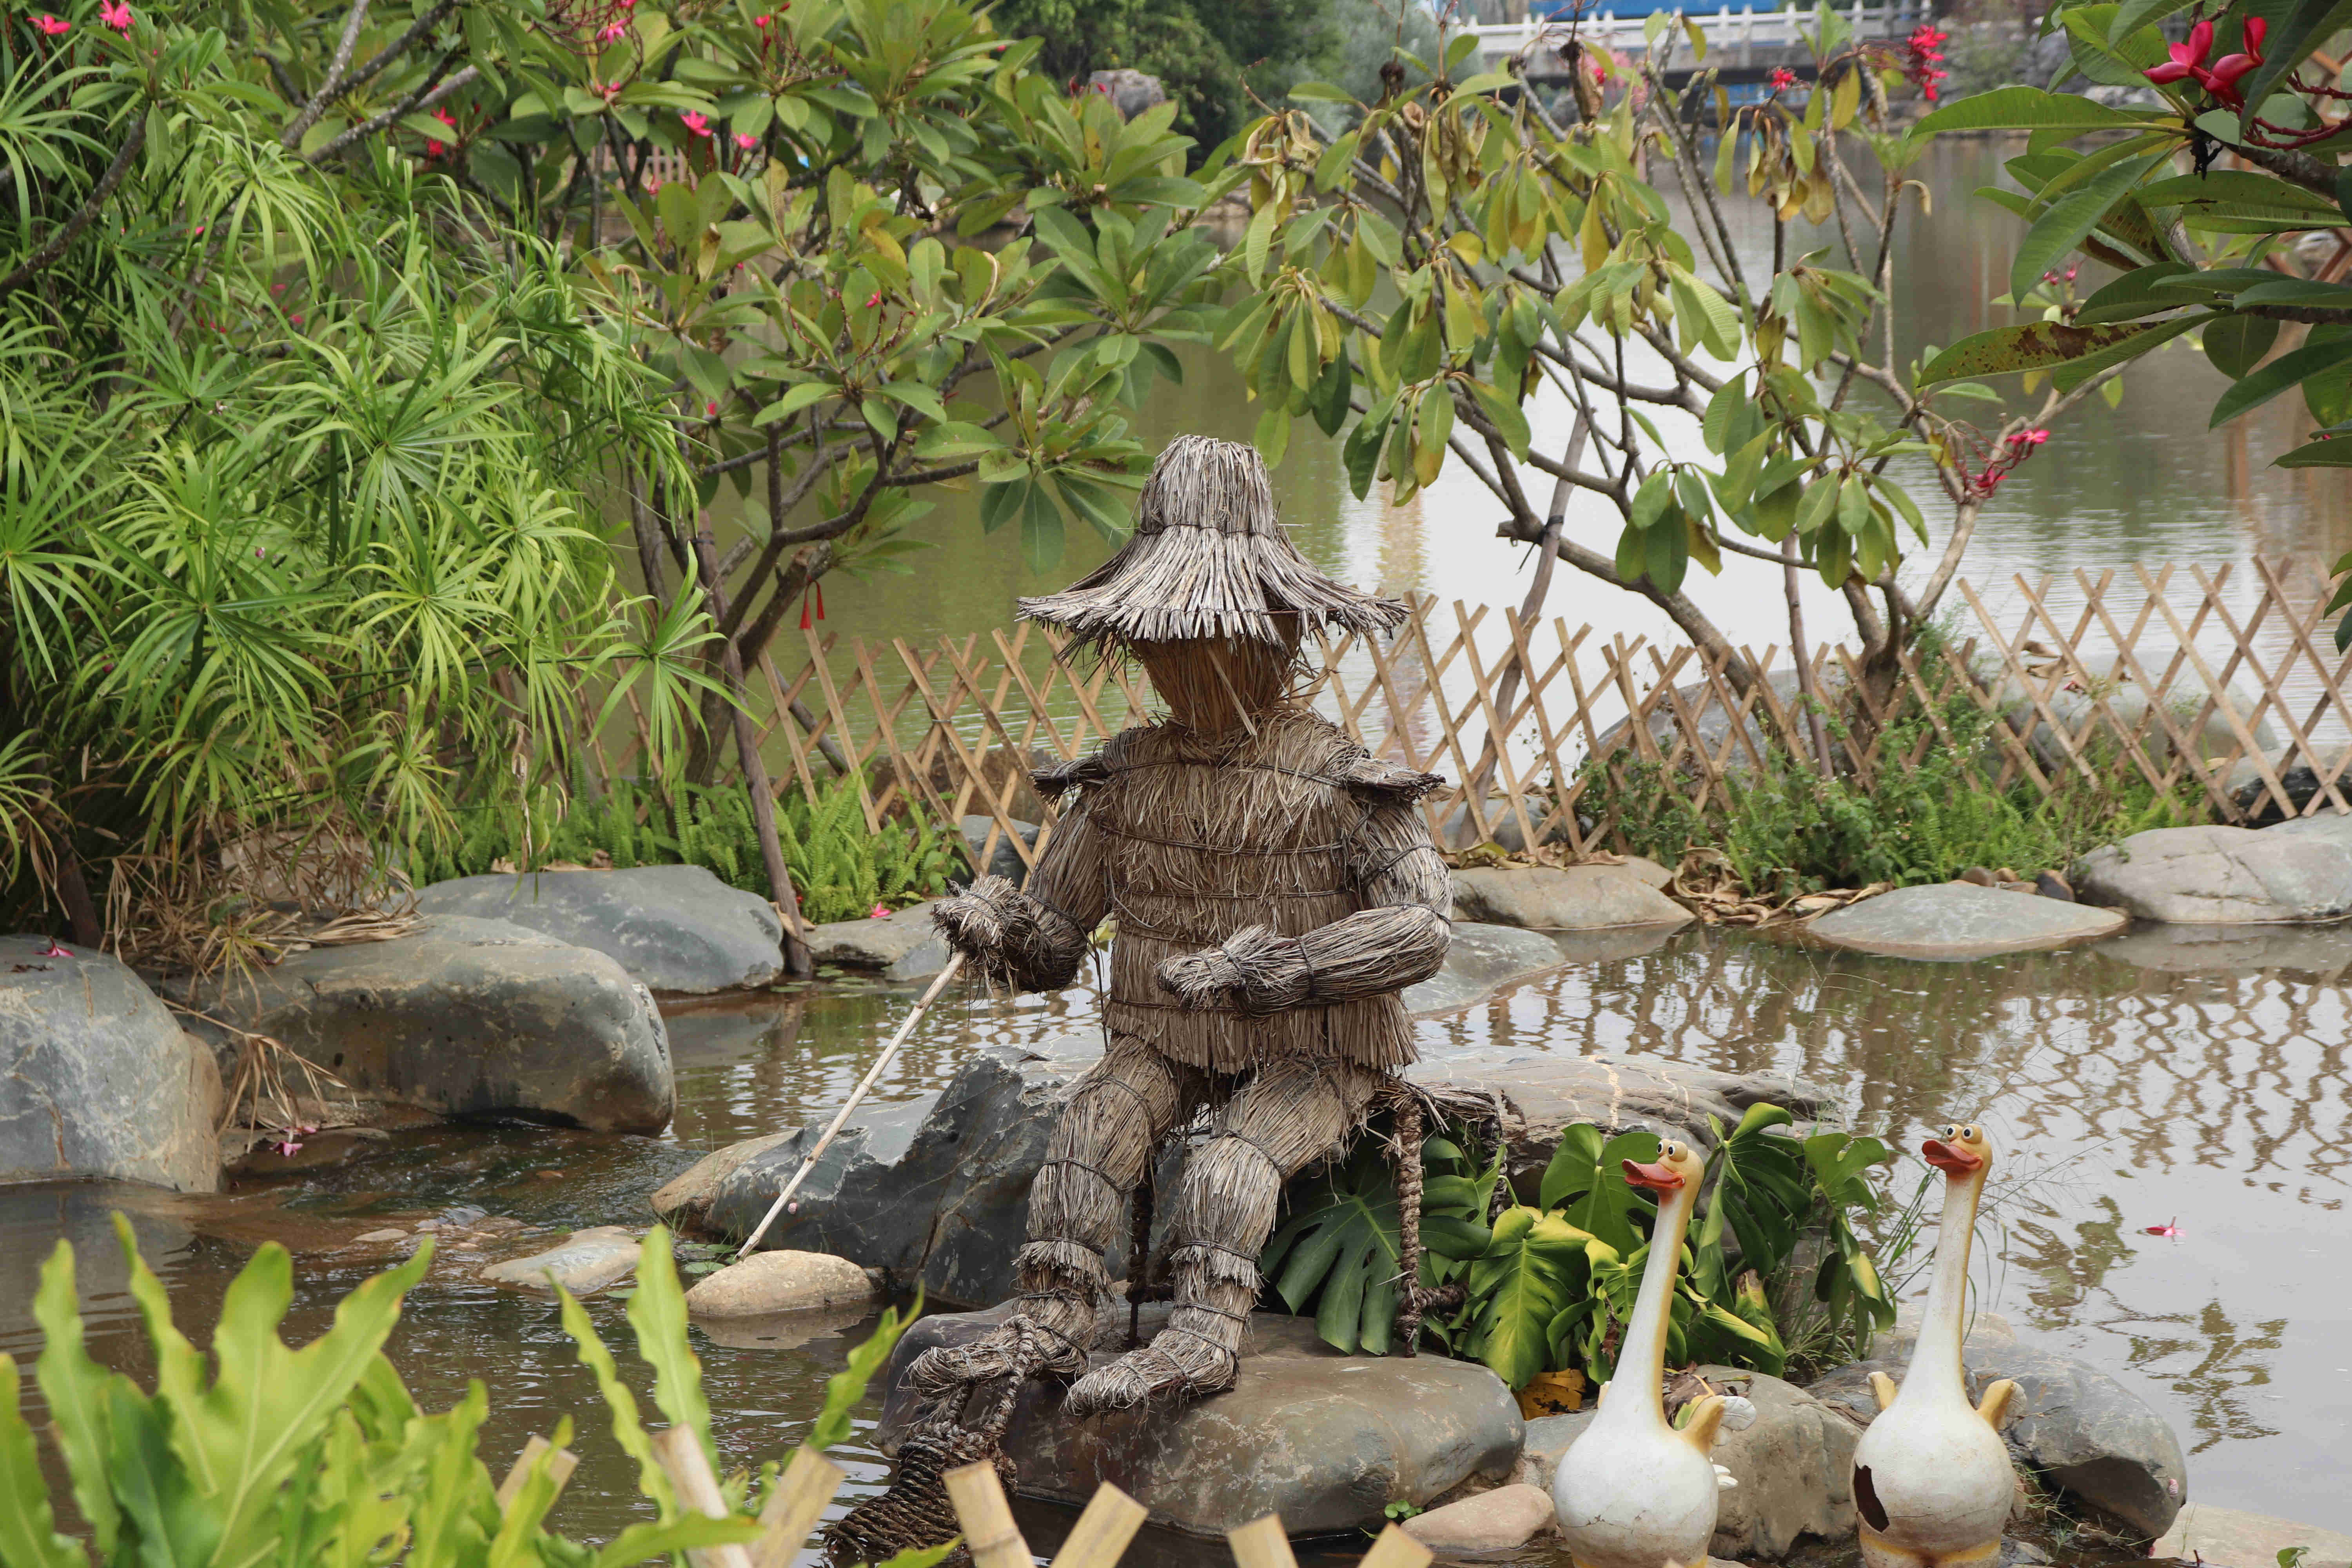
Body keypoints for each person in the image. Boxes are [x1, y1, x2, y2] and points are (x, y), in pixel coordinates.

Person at [907, 435, 1453, 1417]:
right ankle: (1053, 1316)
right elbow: (1058, 941)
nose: (1191, 660)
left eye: (1215, 636)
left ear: (1277, 628)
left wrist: (1283, 968)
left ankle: (1201, 1338)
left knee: (1230, 1162)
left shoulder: (1336, 779)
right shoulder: (1127, 779)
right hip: (1168, 1034)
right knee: (1092, 1126)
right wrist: (1000, 927)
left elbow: (1421, 927)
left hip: (1316, 1042)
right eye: (1170, 637)